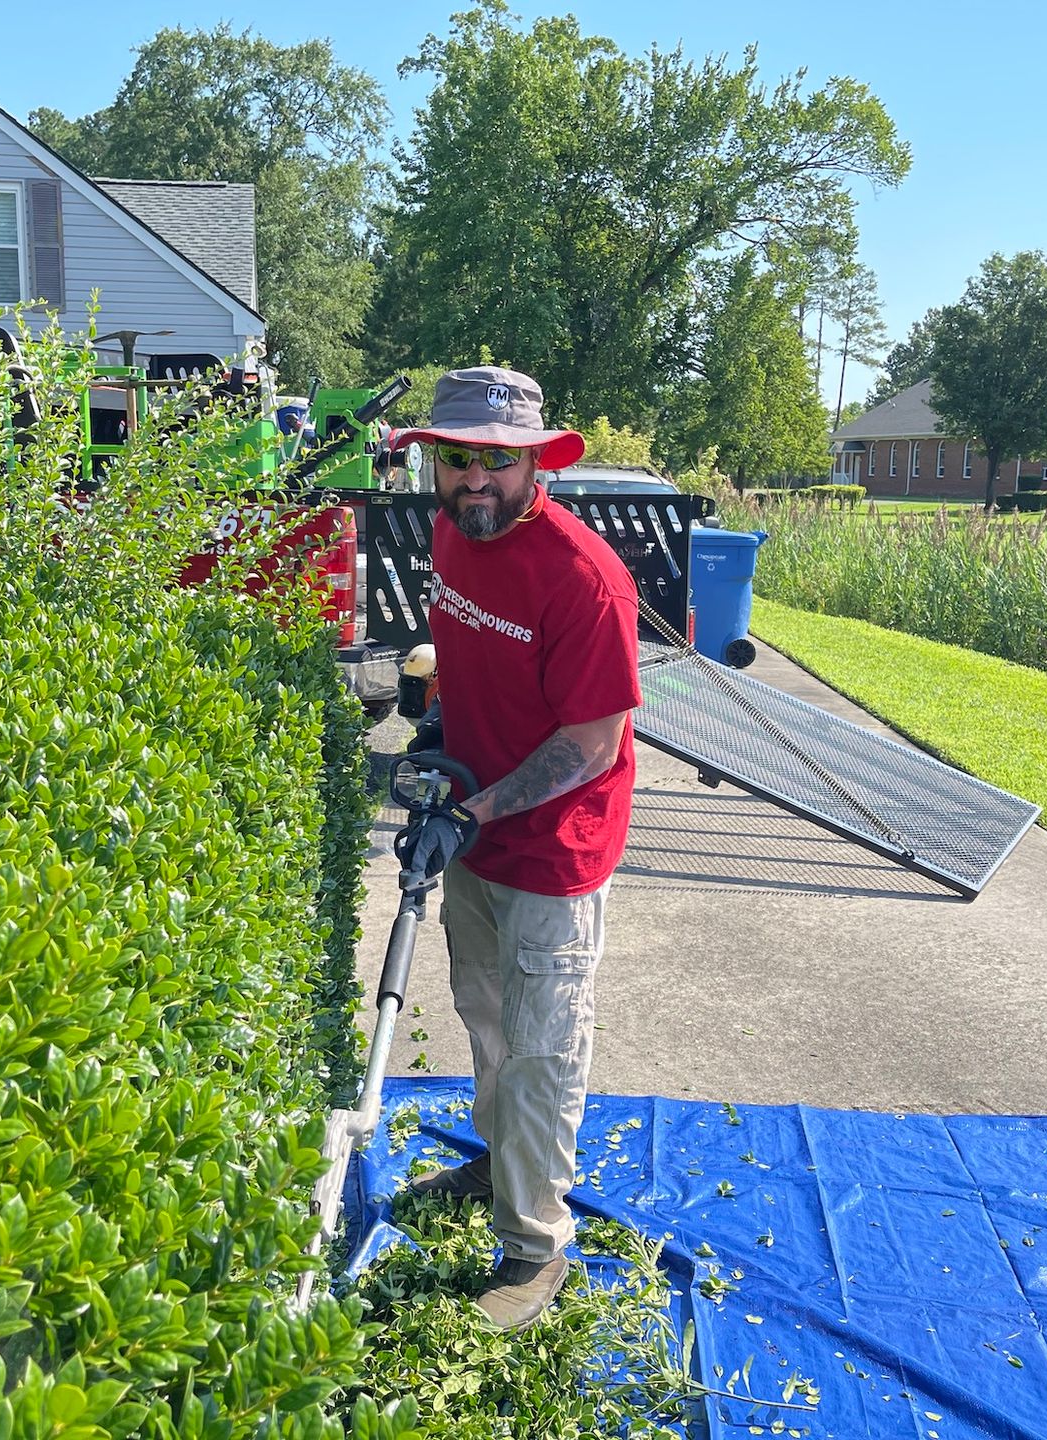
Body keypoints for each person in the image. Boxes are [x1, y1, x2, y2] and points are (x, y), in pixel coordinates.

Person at [391, 366, 642, 1329]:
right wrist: (439, 734)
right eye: (458, 458)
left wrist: (479, 807)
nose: (476, 480)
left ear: (536, 459)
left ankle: (537, 1248)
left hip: (553, 850)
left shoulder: (585, 579)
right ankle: (500, 1160)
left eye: (498, 461)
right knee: (484, 1013)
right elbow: (459, 652)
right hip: (476, 825)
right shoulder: (455, 533)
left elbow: (595, 744)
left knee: (543, 1047)